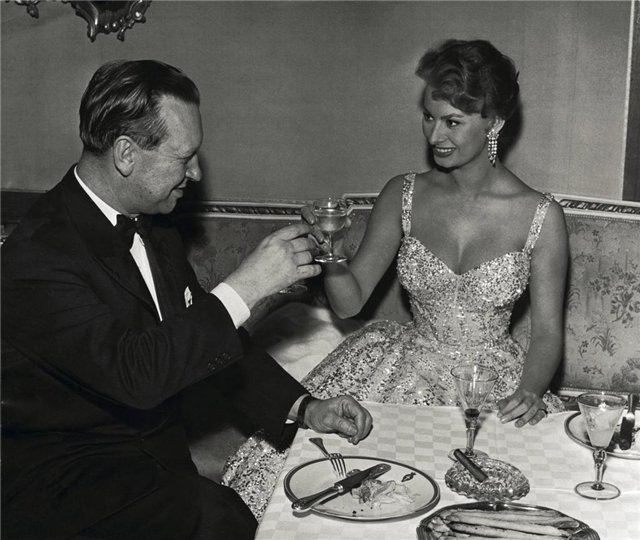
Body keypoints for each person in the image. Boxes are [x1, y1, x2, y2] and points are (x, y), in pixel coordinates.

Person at [0, 59, 373, 540]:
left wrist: (303, 407)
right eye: (184, 157)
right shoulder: (39, 255)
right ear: (126, 154)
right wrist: (247, 285)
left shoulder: (155, 227)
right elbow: (136, 375)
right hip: (63, 482)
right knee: (222, 519)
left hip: (150, 466)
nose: (196, 173)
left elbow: (205, 340)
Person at [222, 39, 569, 519]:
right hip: (404, 368)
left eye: (453, 122)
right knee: (340, 489)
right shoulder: (401, 194)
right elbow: (349, 303)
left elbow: (547, 331)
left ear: (494, 123)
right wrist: (330, 251)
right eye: (429, 117)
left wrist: (528, 390)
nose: (435, 135)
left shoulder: (541, 216)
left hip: (490, 381)